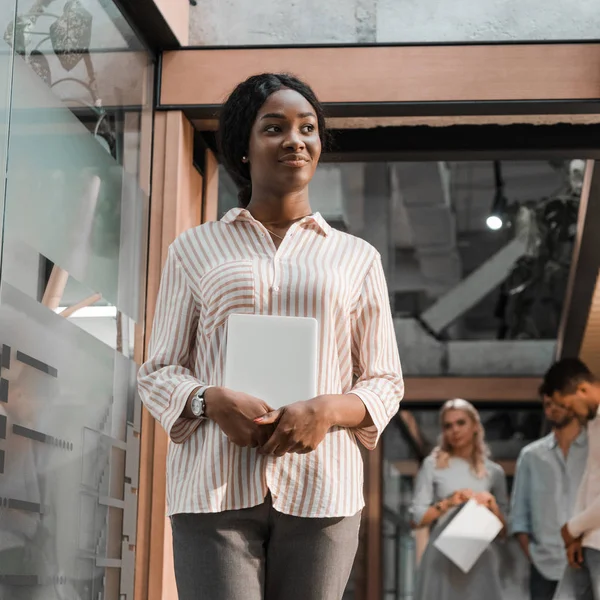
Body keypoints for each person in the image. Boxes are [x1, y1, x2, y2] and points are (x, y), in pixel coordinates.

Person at [137, 73, 404, 600]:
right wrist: (207, 399)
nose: (295, 140)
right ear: (243, 146)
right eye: (275, 127)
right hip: (211, 487)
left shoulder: (357, 258)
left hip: (323, 488)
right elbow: (158, 370)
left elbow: (385, 380)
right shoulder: (194, 249)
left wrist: (328, 410)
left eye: (308, 128)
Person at [410, 398, 508, 600]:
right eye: (448, 425)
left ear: (474, 426)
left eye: (461, 423)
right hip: (441, 559)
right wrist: (448, 502)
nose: (454, 430)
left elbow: (505, 532)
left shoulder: (494, 472)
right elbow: (416, 518)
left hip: (480, 558)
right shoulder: (432, 465)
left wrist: (492, 506)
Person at [511, 385, 588, 600]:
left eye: (558, 403)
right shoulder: (530, 456)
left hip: (588, 562)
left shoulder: (594, 448)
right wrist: (535, 557)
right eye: (547, 404)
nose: (552, 409)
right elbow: (519, 518)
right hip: (545, 567)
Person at [540, 359, 600, 600]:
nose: (570, 413)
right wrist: (573, 535)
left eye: (567, 405)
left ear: (582, 389)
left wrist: (573, 528)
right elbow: (590, 476)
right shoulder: (594, 423)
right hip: (588, 541)